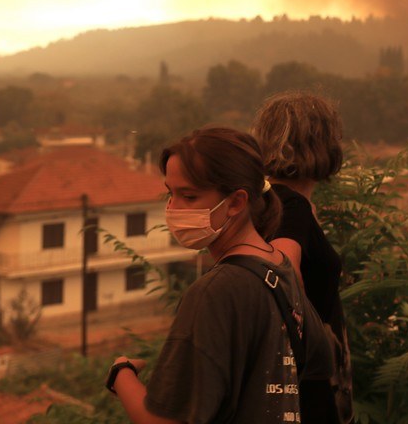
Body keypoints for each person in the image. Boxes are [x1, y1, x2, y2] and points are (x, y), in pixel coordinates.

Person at [108, 127, 334, 424]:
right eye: (170, 193)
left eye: (189, 196)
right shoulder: (280, 267)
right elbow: (321, 358)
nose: (173, 209)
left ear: (236, 203)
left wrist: (121, 374)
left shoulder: (216, 291)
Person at [253, 91, 353, 423]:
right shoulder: (291, 207)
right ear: (323, 143)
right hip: (304, 386)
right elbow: (281, 275)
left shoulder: (270, 202)